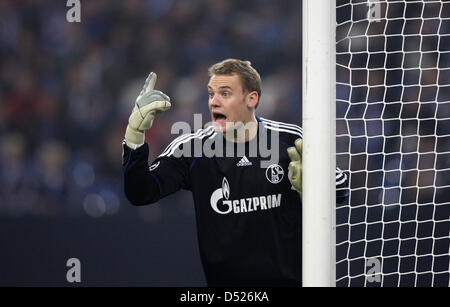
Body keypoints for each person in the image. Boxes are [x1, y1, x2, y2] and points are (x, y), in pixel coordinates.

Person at [122, 59, 348, 286]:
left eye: (225, 93)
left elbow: (342, 191)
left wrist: (315, 185)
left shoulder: (289, 140)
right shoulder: (192, 149)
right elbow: (141, 193)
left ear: (252, 99)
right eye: (211, 94)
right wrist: (134, 133)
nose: (214, 102)